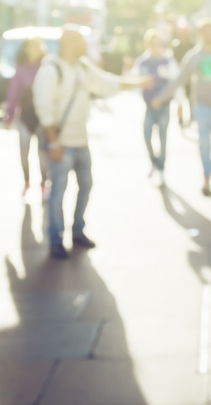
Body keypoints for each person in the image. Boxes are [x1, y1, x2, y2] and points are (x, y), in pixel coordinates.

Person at [33, 27, 149, 260]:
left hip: (80, 140)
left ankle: (77, 231)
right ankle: (56, 240)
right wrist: (54, 144)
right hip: (61, 144)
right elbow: (43, 107)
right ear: (68, 43)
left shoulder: (83, 67)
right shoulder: (51, 70)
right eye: (80, 40)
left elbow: (107, 83)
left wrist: (137, 83)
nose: (85, 44)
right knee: (58, 193)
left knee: (86, 185)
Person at [153, 21, 211, 197]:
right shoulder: (194, 56)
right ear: (200, 34)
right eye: (204, 32)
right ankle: (206, 177)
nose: (208, 35)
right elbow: (180, 79)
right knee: (204, 145)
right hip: (202, 108)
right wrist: (161, 97)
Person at [4, 37, 49, 196]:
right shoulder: (20, 69)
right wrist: (8, 116)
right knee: (24, 152)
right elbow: (13, 93)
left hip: (43, 117)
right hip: (24, 116)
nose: (33, 50)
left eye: (37, 46)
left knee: (42, 154)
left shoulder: (46, 67)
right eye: (30, 47)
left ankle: (44, 184)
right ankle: (27, 181)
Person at [134, 30, 178, 186]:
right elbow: (135, 82)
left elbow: (174, 83)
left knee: (163, 138)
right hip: (149, 106)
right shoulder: (142, 62)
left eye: (157, 43)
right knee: (147, 135)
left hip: (164, 106)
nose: (155, 46)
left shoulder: (168, 61)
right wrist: (143, 87)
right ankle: (154, 162)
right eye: (152, 43)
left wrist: (169, 101)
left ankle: (161, 168)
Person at [171, 32, 195, 127]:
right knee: (179, 99)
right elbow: (174, 60)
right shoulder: (176, 46)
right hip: (180, 75)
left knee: (190, 98)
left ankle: (192, 117)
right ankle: (180, 119)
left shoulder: (191, 45)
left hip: (189, 76)